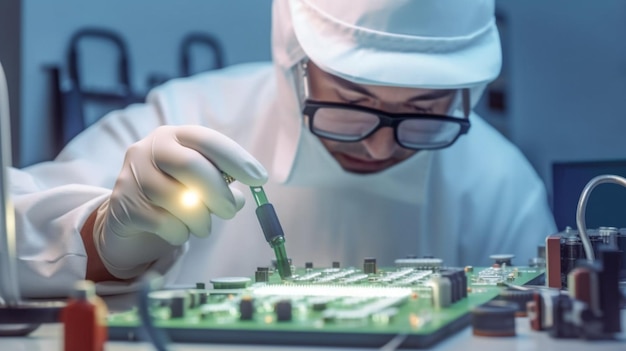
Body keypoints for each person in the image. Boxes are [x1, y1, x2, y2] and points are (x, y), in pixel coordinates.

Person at [10, 0, 556, 298]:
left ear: (466, 96)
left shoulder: (503, 188)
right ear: (295, 59)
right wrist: (100, 240)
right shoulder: (187, 118)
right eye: (351, 102)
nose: (379, 141)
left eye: (423, 111)